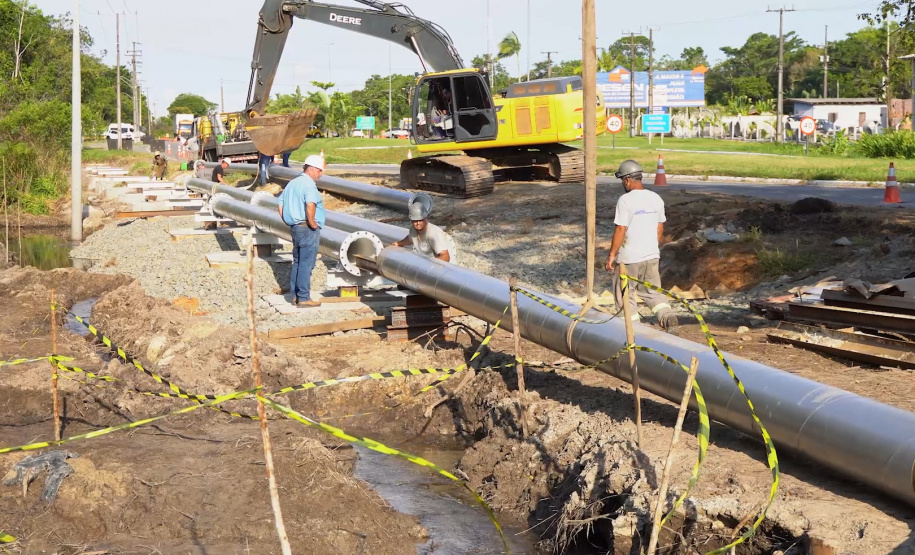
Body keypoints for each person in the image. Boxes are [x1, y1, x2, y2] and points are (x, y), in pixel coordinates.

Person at [604, 160, 678, 331]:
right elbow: (660, 227)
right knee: (653, 292)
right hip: (652, 255)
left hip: (629, 259)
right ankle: (667, 316)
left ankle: (634, 330)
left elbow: (621, 228)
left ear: (628, 180)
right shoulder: (655, 198)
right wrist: (652, 247)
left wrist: (612, 255)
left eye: (623, 180)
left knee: (625, 295)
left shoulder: (625, 200)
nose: (623, 183)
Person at [277, 155, 326, 308]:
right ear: (312, 169)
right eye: (320, 171)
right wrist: (312, 223)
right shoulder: (309, 184)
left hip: (295, 227)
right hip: (307, 228)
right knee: (306, 263)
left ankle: (295, 296)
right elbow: (310, 205)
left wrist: (286, 220)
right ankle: (304, 297)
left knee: (298, 262)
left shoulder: (292, 183)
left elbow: (280, 204)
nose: (320, 175)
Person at [392, 194, 454, 262]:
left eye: (420, 220)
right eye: (415, 221)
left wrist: (430, 266)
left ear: (426, 218)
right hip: (428, 263)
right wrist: (399, 243)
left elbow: (446, 257)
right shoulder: (413, 229)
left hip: (444, 265)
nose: (418, 223)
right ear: (411, 220)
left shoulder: (434, 233)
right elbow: (410, 238)